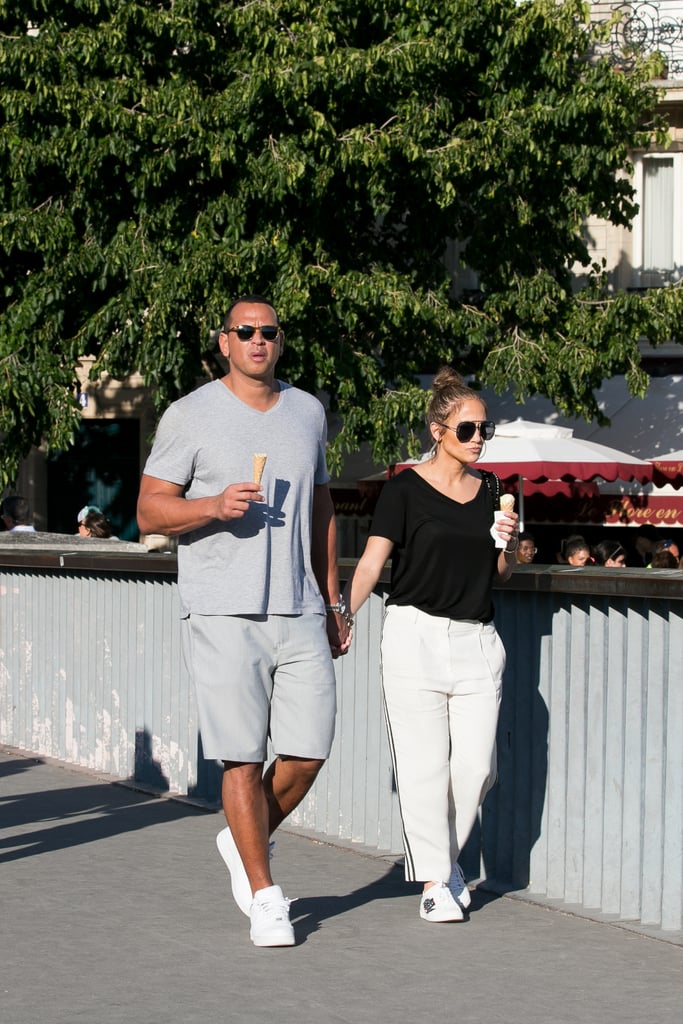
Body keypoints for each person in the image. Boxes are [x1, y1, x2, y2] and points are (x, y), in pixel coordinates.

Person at [136, 294, 349, 948]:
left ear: (280, 342)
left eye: (269, 332)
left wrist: (334, 598)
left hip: (300, 607)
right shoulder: (190, 414)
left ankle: (242, 837)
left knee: (309, 752)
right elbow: (149, 512)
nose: (258, 340)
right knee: (241, 758)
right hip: (223, 609)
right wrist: (212, 506)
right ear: (224, 341)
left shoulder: (307, 412)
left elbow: (321, 511)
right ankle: (264, 896)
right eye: (245, 331)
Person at [342, 367, 518, 924]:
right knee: (422, 767)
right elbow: (372, 562)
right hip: (414, 635)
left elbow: (503, 573)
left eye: (485, 430)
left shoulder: (494, 489)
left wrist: (510, 547)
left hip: (477, 639)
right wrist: (344, 615)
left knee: (476, 767)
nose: (478, 440)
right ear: (438, 430)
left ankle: (445, 860)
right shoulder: (403, 488)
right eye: (468, 429)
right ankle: (437, 880)